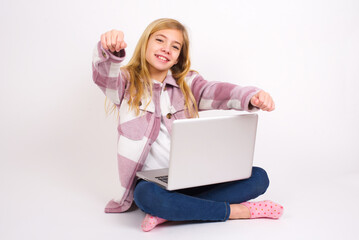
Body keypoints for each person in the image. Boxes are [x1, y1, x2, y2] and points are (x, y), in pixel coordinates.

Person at [92, 18, 283, 232]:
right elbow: (104, 76)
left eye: (175, 46)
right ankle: (237, 211)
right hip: (154, 184)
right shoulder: (126, 83)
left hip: (193, 178)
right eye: (160, 40)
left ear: (178, 58)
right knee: (145, 196)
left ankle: (168, 213)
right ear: (145, 43)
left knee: (259, 177)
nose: (166, 49)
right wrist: (109, 52)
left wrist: (252, 96)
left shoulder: (188, 84)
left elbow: (219, 91)